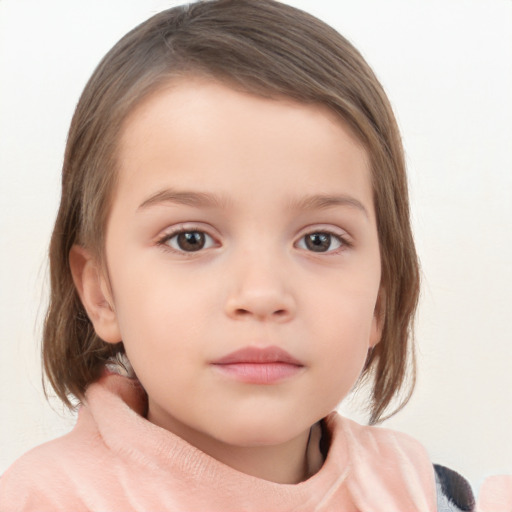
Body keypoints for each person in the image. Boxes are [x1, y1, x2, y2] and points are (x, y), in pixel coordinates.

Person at [0, 0, 481, 510]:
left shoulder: (424, 491)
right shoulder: (48, 498)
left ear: (379, 302)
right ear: (101, 293)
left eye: (319, 240)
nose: (261, 294)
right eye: (191, 239)